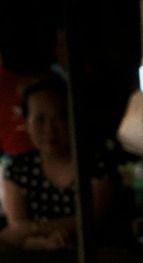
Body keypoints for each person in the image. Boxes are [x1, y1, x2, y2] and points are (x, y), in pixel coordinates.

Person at [0, 73, 111, 250]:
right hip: (37, 262)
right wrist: (43, 244)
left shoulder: (95, 164)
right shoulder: (18, 169)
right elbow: (15, 233)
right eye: (40, 119)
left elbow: (93, 220)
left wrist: (34, 228)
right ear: (27, 124)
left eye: (60, 117)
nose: (49, 129)